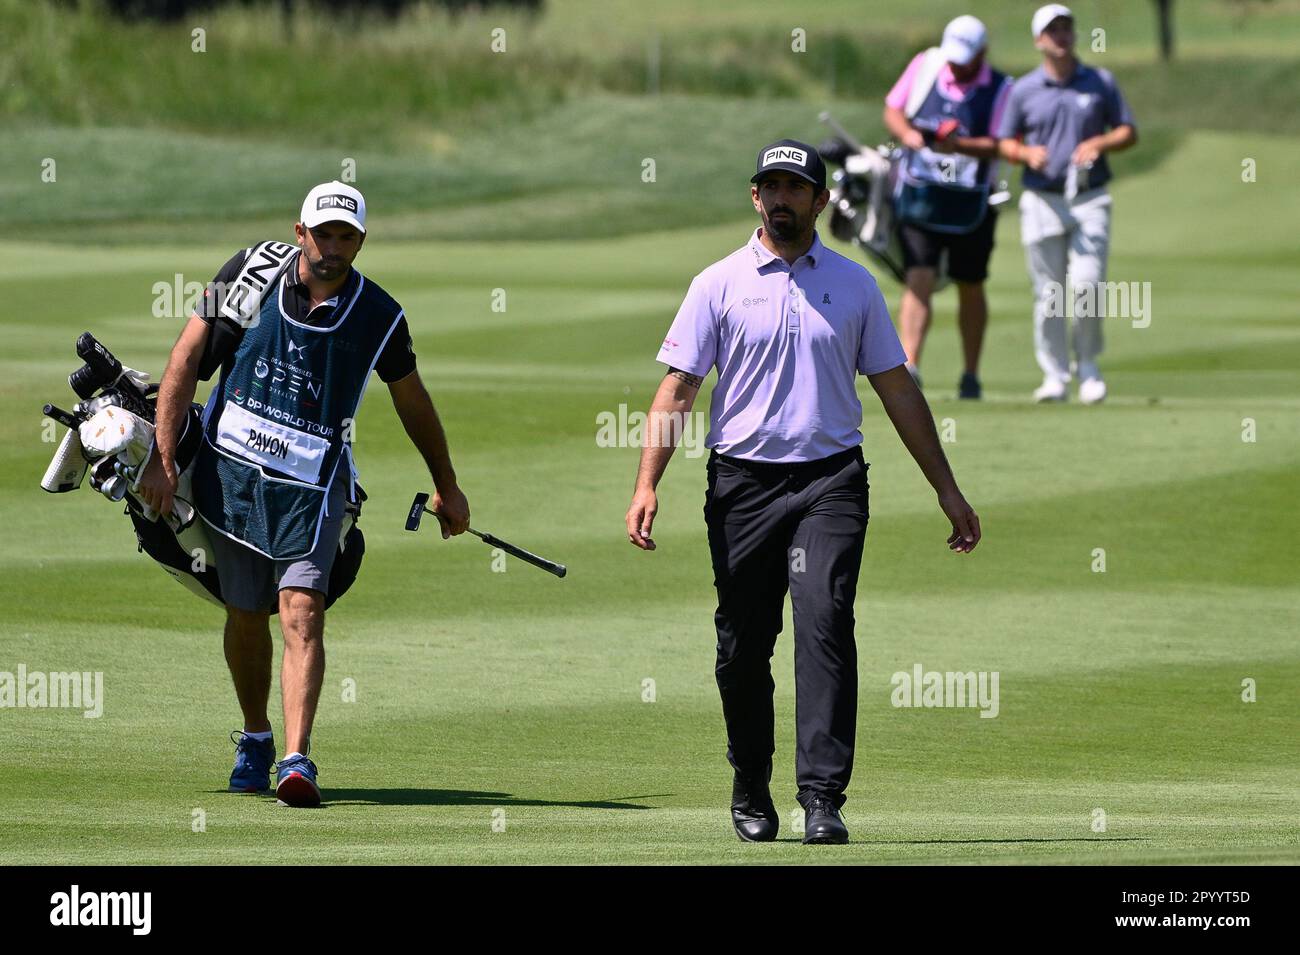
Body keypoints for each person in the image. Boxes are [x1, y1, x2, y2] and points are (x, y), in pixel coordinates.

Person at [624, 140, 981, 845]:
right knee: (742, 645)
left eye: (797, 188)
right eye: (771, 187)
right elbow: (679, 388)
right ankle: (751, 779)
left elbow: (897, 389)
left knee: (825, 620)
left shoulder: (854, 286)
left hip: (830, 481)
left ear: (821, 201)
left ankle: (823, 796)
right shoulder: (718, 283)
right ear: (755, 197)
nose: (782, 198)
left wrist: (947, 487)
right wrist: (647, 482)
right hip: (742, 485)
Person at [136, 181, 471, 807]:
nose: (333, 249)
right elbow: (185, 356)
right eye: (323, 235)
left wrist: (446, 484)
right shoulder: (246, 269)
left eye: (346, 237)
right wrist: (161, 456)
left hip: (315, 488)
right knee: (244, 611)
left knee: (300, 610)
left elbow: (412, 400)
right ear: (300, 233)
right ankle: (256, 737)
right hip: (229, 475)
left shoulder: (381, 316)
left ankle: (297, 759)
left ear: (361, 242)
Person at [996, 4, 1138, 403]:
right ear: (1039, 40)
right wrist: (1024, 155)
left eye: (1066, 28)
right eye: (1052, 30)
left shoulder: (1099, 81)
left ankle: (1088, 368)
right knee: (1048, 292)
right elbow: (1005, 140)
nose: (1061, 35)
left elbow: (1128, 131)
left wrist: (1100, 142)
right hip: (1042, 199)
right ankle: (1055, 375)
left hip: (1090, 197)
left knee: (1087, 285)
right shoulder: (1023, 90)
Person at [883, 14, 1013, 399]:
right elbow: (894, 109)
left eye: (966, 57)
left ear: (983, 53)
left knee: (970, 283)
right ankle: (911, 366)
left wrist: (960, 145)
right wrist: (910, 135)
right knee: (918, 276)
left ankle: (970, 375)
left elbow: (1005, 142)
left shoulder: (1003, 87)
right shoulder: (926, 66)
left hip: (971, 200)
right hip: (922, 194)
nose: (957, 64)